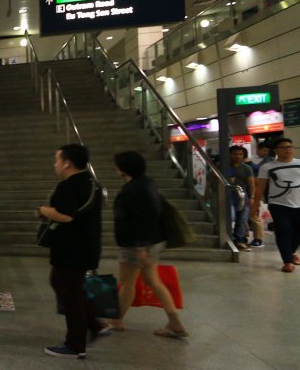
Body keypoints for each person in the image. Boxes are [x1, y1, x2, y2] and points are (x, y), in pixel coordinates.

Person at [36, 144, 106, 359]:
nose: (55, 164)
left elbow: (66, 216)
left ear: (67, 162)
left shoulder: (69, 186)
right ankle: (95, 324)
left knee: (69, 292)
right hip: (87, 244)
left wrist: (43, 211)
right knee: (65, 285)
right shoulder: (92, 183)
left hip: (71, 248)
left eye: (57, 160)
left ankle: (75, 344)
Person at [107, 151, 187, 337]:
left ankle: (116, 321)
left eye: (117, 165)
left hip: (137, 244)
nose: (115, 168)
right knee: (154, 282)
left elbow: (141, 218)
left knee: (127, 283)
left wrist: (141, 246)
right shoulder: (147, 183)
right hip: (153, 241)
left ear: (123, 168)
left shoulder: (132, 190)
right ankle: (175, 322)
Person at [254, 138, 300, 272]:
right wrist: (255, 204)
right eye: (284, 147)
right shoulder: (267, 167)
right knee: (283, 230)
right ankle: (287, 261)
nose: (288, 150)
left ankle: (291, 252)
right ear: (276, 150)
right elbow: (260, 187)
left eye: (290, 147)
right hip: (278, 204)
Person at [244, 147, 265, 247]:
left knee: (255, 217)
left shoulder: (252, 168)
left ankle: (258, 239)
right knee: (245, 217)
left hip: (253, 195)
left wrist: (255, 197)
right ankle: (247, 237)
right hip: (246, 195)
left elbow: (258, 183)